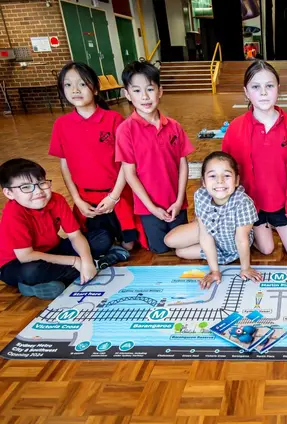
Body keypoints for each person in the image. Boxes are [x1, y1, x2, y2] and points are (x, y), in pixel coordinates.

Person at [0, 159, 125, 299]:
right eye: (26, 187)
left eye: (42, 183)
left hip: (52, 250)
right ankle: (98, 264)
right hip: (17, 263)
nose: (38, 191)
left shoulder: (57, 200)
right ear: (9, 193)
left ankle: (72, 274)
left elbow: (75, 235)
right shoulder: (13, 214)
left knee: (101, 237)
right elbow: (26, 256)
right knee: (31, 272)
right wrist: (75, 261)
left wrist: (86, 260)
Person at [50, 62, 139, 251]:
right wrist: (77, 199)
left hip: (117, 196)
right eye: (68, 85)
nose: (75, 90)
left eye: (82, 84)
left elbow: (126, 162)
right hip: (87, 200)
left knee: (129, 245)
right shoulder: (61, 125)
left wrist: (113, 197)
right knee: (100, 243)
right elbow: (64, 166)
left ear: (96, 88)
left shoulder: (113, 120)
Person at [223, 60, 287, 257]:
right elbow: (226, 172)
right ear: (246, 91)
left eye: (269, 86)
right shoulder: (235, 129)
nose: (263, 93)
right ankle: (256, 229)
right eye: (256, 87)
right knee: (268, 249)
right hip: (253, 207)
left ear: (278, 88)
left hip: (282, 204)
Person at [116, 61, 194, 253]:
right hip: (148, 207)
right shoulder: (125, 130)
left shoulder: (174, 126)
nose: (144, 96)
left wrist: (179, 199)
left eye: (150, 89)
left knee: (180, 245)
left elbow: (183, 165)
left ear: (160, 91)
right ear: (127, 94)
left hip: (176, 203)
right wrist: (151, 207)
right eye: (136, 90)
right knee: (159, 249)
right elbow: (129, 174)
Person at [164, 151, 262, 288]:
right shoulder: (200, 196)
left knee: (181, 252)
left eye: (227, 175)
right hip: (211, 231)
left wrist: (245, 268)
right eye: (212, 176)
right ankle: (199, 223)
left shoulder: (243, 202)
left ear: (237, 181)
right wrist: (214, 271)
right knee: (169, 241)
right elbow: (205, 236)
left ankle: (202, 230)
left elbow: (241, 240)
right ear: (203, 182)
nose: (220, 181)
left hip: (231, 246)